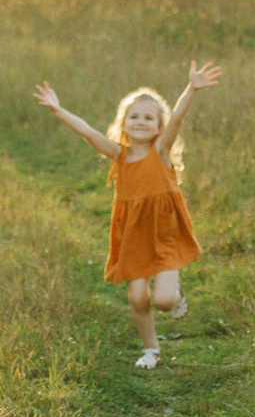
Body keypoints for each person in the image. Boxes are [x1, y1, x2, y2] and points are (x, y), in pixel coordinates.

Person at [35, 62, 222, 368]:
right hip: (133, 235)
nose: (140, 122)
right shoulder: (118, 155)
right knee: (138, 299)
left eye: (148, 118)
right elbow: (87, 132)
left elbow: (177, 118)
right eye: (134, 117)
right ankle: (151, 349)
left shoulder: (161, 151)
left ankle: (174, 295)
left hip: (164, 234)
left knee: (162, 301)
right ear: (123, 124)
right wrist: (58, 110)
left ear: (158, 126)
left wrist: (192, 88)